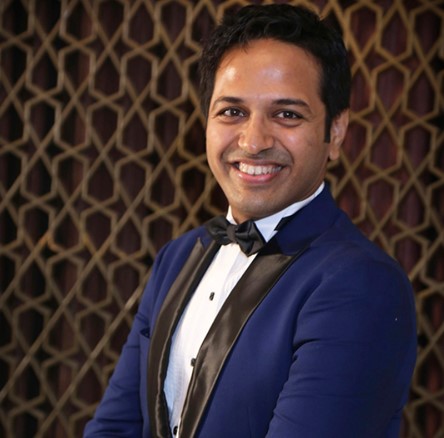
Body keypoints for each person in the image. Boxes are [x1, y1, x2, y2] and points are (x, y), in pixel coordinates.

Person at [84, 4, 416, 437]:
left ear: (335, 132)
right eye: (232, 112)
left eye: (287, 114)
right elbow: (114, 427)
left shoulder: (361, 284)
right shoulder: (177, 257)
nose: (254, 141)